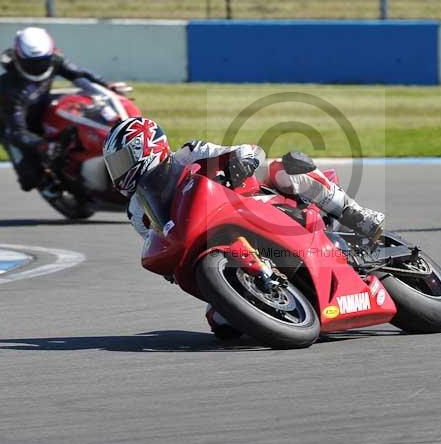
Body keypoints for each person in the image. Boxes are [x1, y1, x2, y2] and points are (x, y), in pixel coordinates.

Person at [102, 116, 386, 337]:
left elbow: (248, 150)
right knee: (222, 324)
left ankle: (357, 215)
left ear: (147, 147)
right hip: (214, 245)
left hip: (253, 204)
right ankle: (278, 300)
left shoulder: (190, 153)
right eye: (113, 165)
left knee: (284, 170)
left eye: (121, 161)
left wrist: (243, 160)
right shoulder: (136, 209)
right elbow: (156, 237)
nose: (118, 171)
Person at [0, 26, 129, 198]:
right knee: (31, 179)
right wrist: (41, 145)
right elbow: (16, 131)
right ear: (19, 57)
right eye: (32, 63)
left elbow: (79, 74)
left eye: (43, 61)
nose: (38, 66)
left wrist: (107, 86)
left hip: (43, 106)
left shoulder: (54, 60)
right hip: (17, 127)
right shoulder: (8, 86)